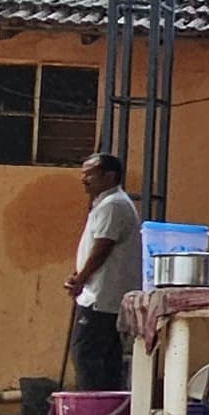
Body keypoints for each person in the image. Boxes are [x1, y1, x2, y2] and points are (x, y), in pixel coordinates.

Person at [68, 153, 141, 393]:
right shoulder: (107, 203)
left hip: (101, 297)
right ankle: (107, 407)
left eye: (89, 174)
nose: (84, 179)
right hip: (102, 294)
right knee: (106, 357)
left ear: (109, 176)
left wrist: (81, 279)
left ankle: (94, 407)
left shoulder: (113, 205)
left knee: (86, 354)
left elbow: (102, 247)